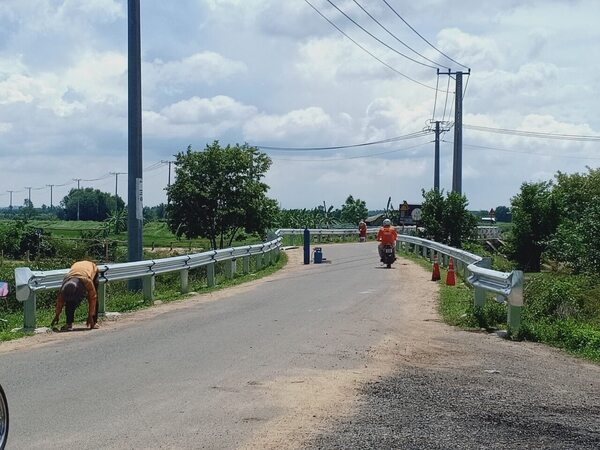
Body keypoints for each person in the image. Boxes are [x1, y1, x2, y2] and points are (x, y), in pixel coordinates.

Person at [51, 261, 99, 331]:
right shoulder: (65, 283)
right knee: (70, 301)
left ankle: (94, 322)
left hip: (90, 269)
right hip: (76, 269)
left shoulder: (87, 281)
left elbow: (93, 298)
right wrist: (57, 315)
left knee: (93, 296)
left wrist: (91, 316)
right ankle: (69, 324)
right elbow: (60, 301)